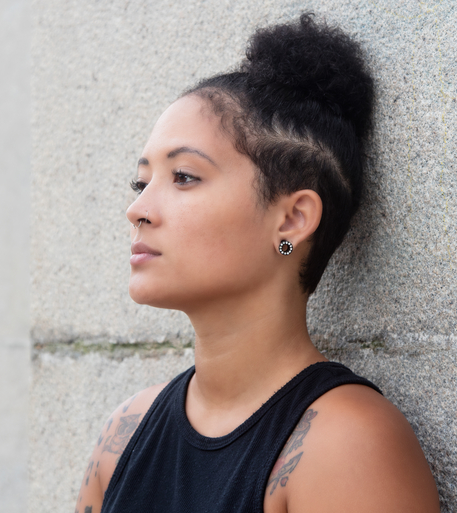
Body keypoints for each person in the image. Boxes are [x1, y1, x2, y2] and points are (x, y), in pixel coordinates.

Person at [74, 13, 440, 513]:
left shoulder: (345, 444)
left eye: (183, 177)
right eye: (142, 182)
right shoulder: (124, 434)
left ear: (291, 220)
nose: (137, 209)